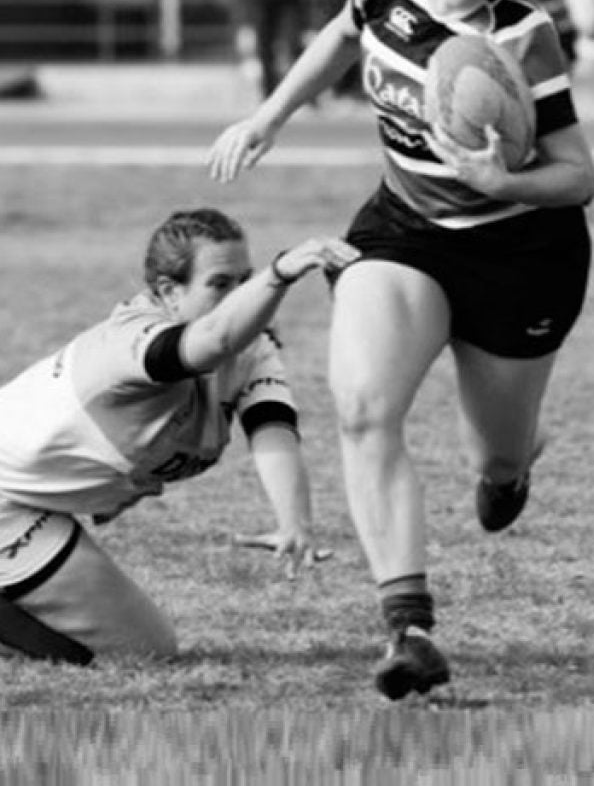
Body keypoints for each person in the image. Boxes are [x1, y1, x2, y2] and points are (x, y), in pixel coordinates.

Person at [208, 0, 594, 701]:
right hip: (405, 233)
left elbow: (578, 175)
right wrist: (269, 117)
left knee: (494, 452)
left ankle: (511, 466)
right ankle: (408, 629)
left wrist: (502, 180)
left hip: (520, 257)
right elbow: (343, 33)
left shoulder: (523, 32)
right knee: (362, 407)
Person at [0, 208, 358, 664]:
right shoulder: (130, 343)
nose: (240, 295)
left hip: (29, 499)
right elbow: (210, 343)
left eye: (245, 280)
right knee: (142, 652)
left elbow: (272, 428)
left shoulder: (252, 346)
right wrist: (281, 272)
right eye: (220, 284)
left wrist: (295, 522)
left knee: (143, 648)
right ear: (169, 292)